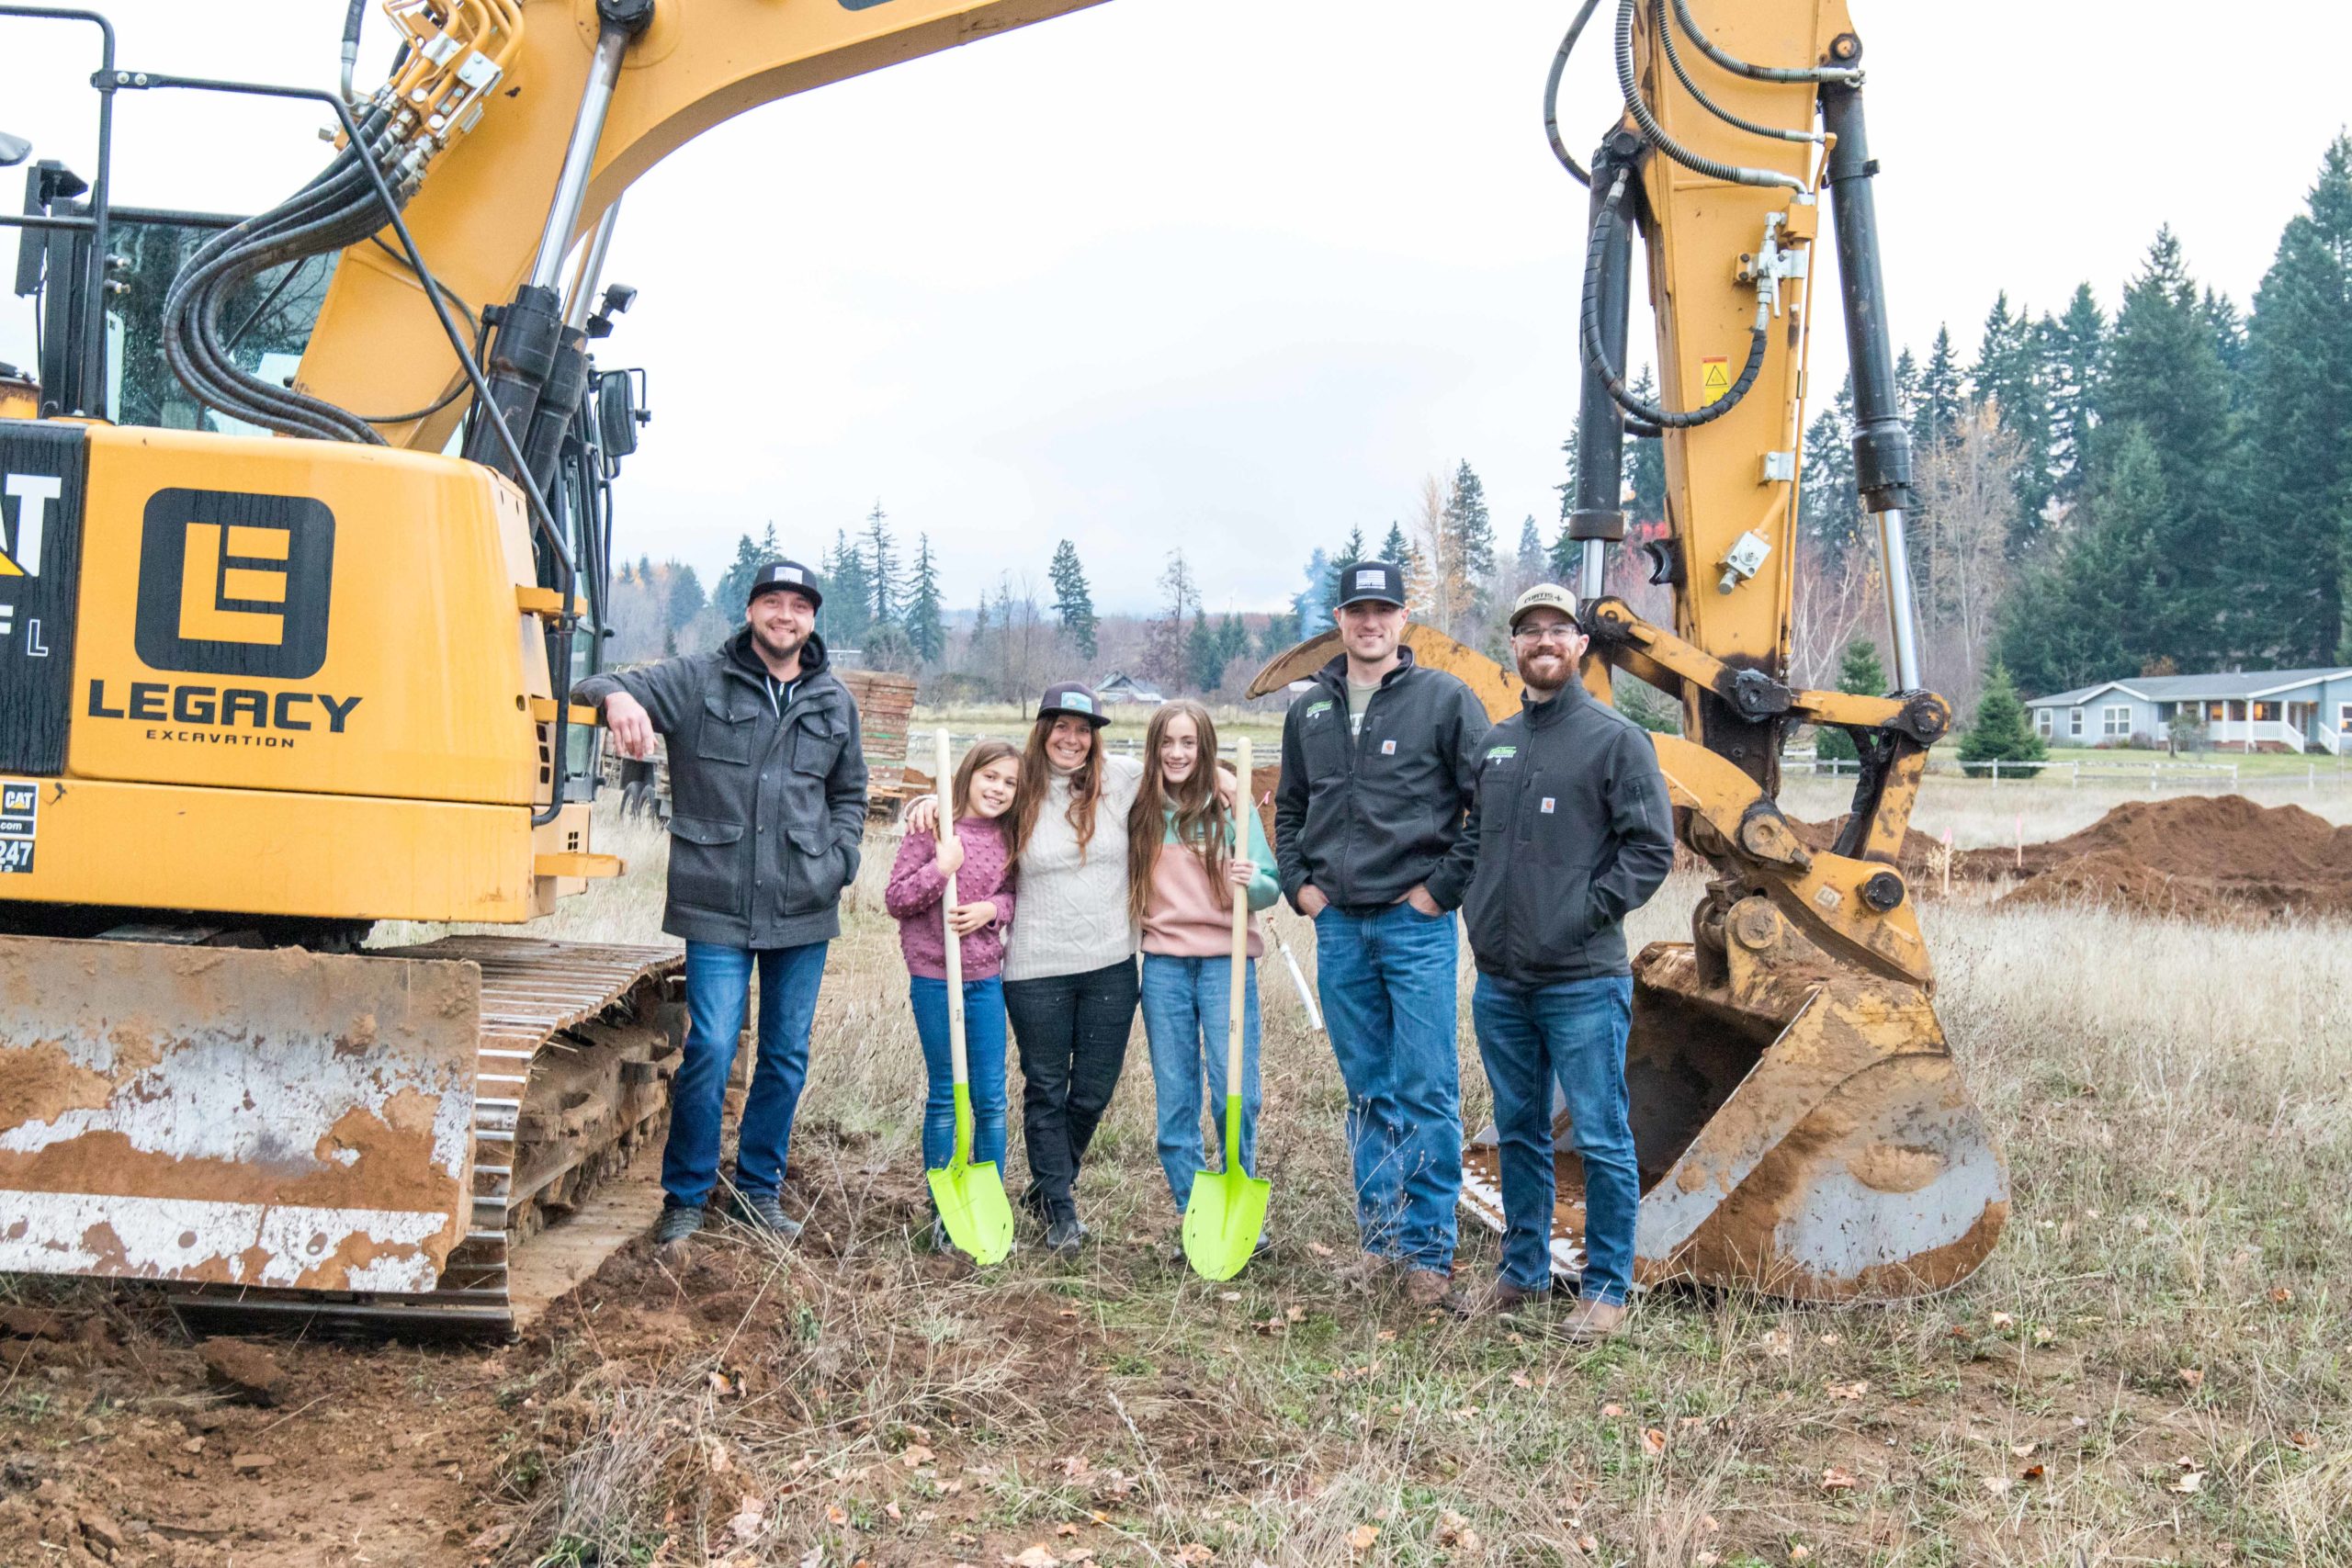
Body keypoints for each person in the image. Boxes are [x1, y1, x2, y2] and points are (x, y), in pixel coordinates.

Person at [578, 559, 867, 1247]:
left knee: (786, 1052)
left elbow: (850, 794)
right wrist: (618, 700)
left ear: (812, 620)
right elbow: (596, 679)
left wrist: (839, 862)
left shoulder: (833, 700)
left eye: (799, 605)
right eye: (773, 601)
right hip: (716, 903)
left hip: (803, 903)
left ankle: (758, 1191)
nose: (785, 615)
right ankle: (687, 1194)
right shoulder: (698, 679)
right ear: (750, 611)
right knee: (709, 1044)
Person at [1450, 583, 1674, 1337]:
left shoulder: (1616, 740)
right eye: (1528, 631)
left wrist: (1580, 913)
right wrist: (1474, 908)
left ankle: (1607, 1285)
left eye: (1557, 629)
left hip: (1581, 982)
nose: (1543, 641)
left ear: (1580, 645)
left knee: (1604, 1135)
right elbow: (1476, 839)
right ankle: (1522, 1269)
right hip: (1502, 982)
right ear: (1514, 647)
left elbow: (1650, 850)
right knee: (1517, 1130)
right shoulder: (1499, 742)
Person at [1273, 560, 1492, 1307]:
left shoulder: (1445, 700)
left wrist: (1438, 893)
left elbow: (1487, 806)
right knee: (1367, 1090)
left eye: (1384, 610)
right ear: (1340, 619)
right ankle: (1381, 1237)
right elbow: (1290, 808)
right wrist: (1301, 887)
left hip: (1413, 928)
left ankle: (1430, 1251)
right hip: (1339, 928)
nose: (1371, 623)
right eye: (1358, 610)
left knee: (1427, 1088)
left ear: (1404, 621)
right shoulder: (1310, 711)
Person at [907, 682, 1142, 1257]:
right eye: (1060, 726)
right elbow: (975, 810)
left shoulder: (1122, 780)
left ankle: (1045, 1186)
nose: (1072, 738)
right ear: (1042, 730)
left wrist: (1229, 779)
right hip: (1035, 966)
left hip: (1112, 959)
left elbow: (1183, 763)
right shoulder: (1022, 791)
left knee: (1090, 1092)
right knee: (1045, 1088)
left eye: (1083, 729)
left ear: (1095, 738)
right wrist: (932, 802)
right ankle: (1060, 1208)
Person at [1129, 701, 1279, 1235]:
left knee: (1235, 1093)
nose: (1177, 753)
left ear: (1204, 747)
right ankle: (1196, 1217)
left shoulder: (1230, 804)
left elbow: (1269, 886)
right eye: (1167, 743)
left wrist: (1250, 879)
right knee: (1175, 1101)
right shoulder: (1140, 807)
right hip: (1166, 966)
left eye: (1189, 743)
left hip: (1226, 963)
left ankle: (1240, 1214)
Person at [886, 739, 1022, 1252]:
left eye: (1010, 783)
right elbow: (896, 898)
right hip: (934, 977)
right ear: (968, 775)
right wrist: (941, 867)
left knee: (990, 1097)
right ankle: (944, 1207)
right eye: (991, 777)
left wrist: (991, 911)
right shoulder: (932, 829)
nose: (1000, 789)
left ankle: (987, 1201)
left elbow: (1013, 895)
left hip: (985, 978)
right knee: (947, 1094)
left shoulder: (1009, 837)